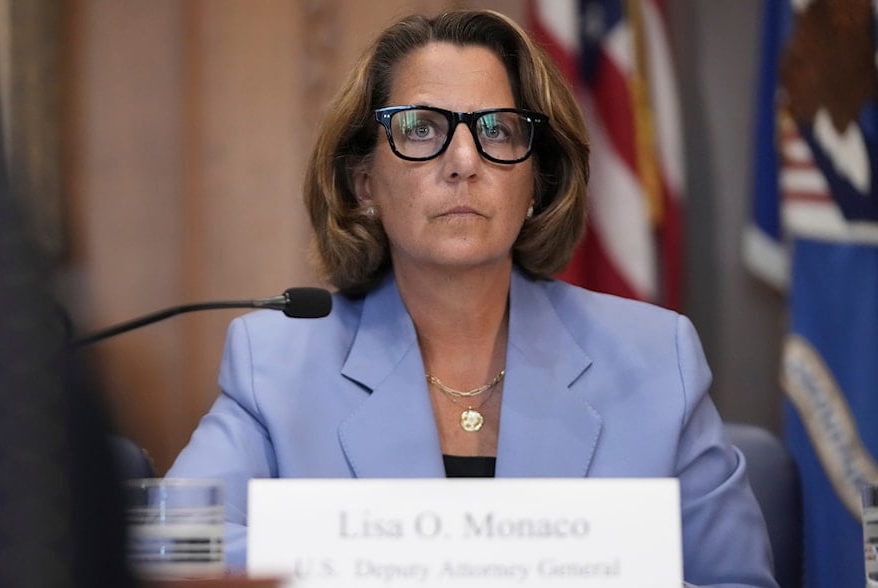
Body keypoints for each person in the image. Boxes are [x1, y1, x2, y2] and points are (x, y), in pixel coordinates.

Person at [168, 9, 777, 587]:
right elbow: (178, 548)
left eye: (498, 131)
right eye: (420, 129)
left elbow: (737, 580)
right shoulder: (275, 365)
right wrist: (394, 564)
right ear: (364, 185)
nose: (463, 161)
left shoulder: (655, 357)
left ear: (536, 181)